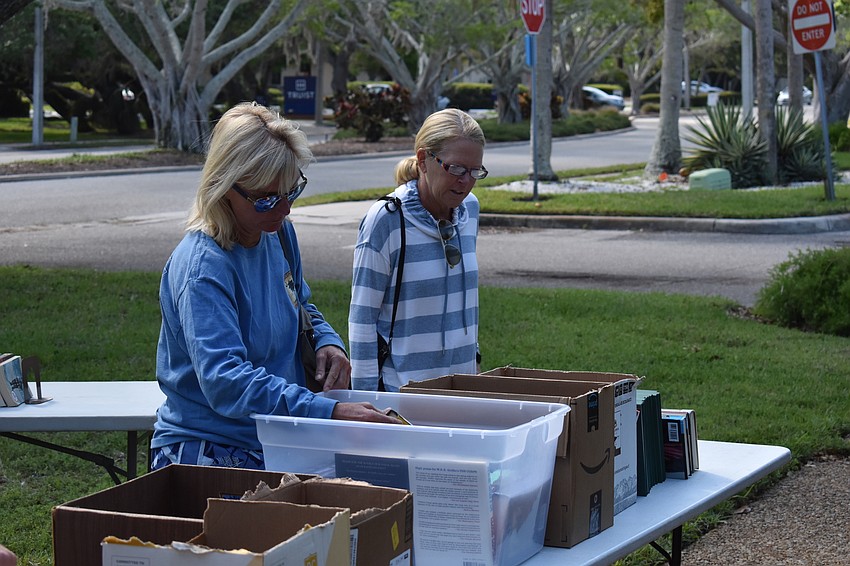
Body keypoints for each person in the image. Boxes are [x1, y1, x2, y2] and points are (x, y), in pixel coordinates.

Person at [151, 102, 396, 471]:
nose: (284, 211)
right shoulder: (203, 268)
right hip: (212, 448)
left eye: (290, 192)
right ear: (223, 187)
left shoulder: (276, 232)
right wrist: (329, 412)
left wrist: (326, 340)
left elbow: (300, 304)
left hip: (277, 437)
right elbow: (226, 381)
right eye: (266, 198)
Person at [349, 108, 486, 391]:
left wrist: (474, 366)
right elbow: (362, 321)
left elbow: (464, 304)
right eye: (456, 168)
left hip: (462, 391)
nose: (465, 181)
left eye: (475, 171)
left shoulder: (469, 209)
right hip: (404, 398)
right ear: (424, 160)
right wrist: (364, 406)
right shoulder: (386, 220)